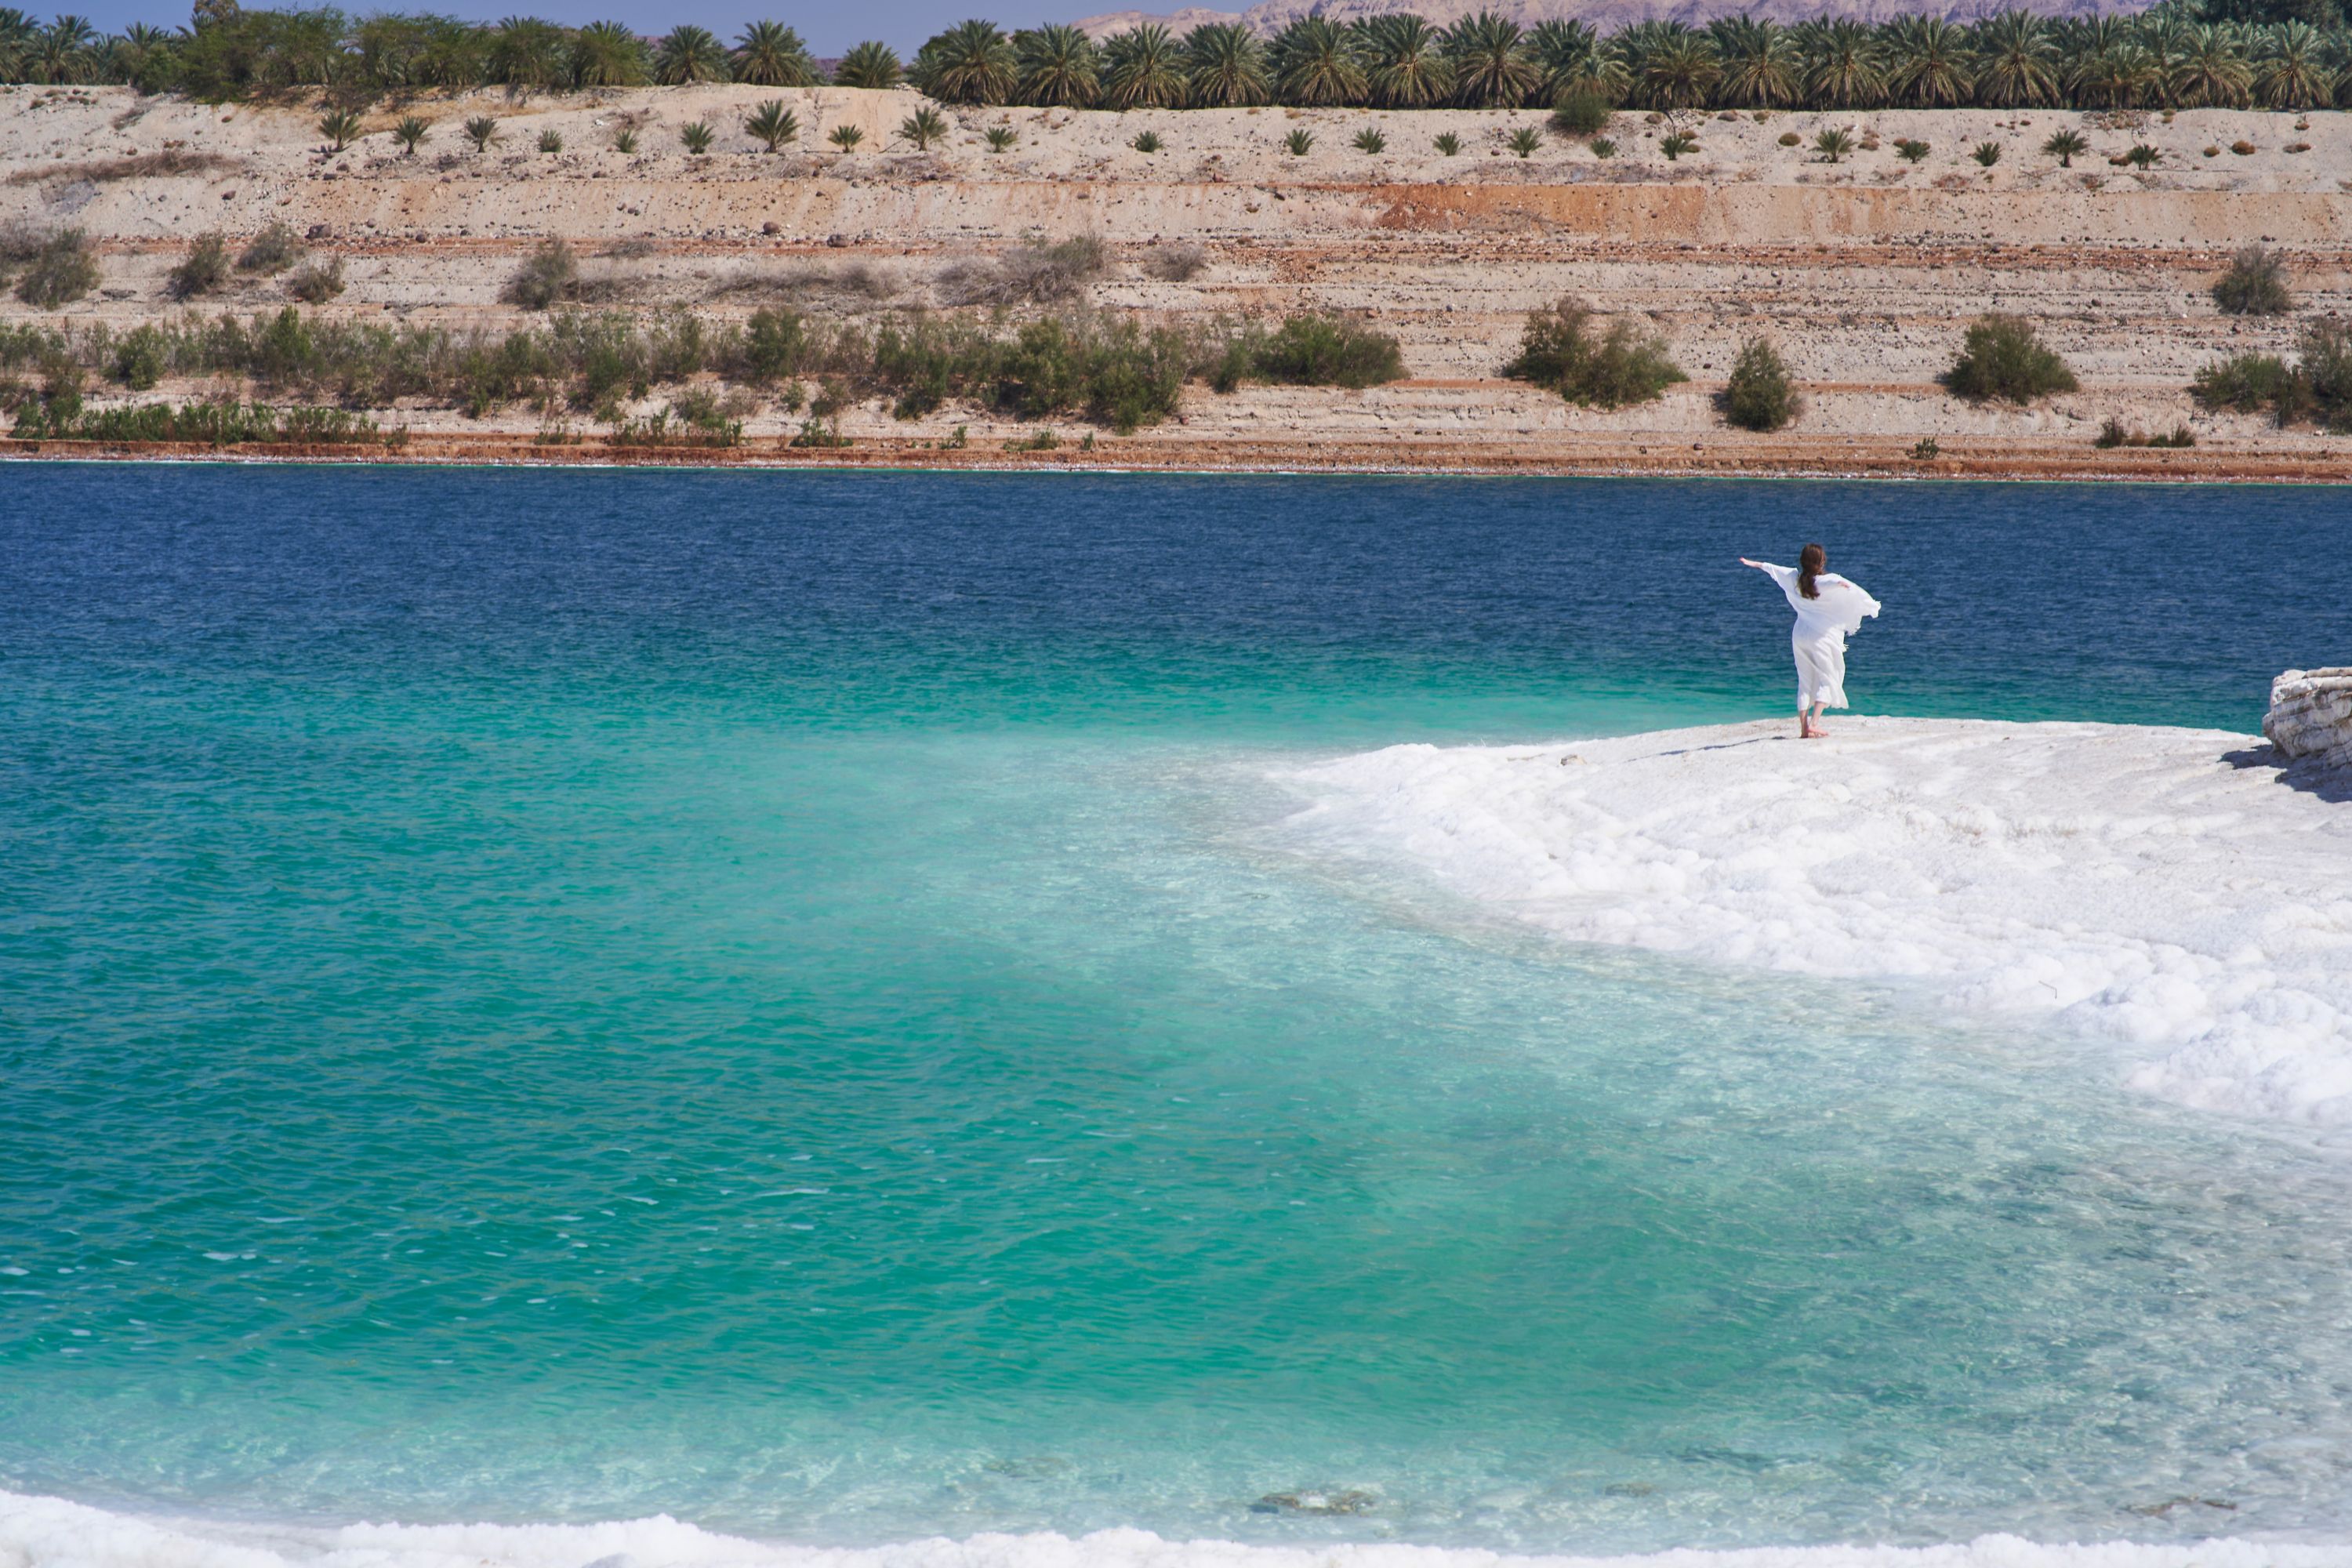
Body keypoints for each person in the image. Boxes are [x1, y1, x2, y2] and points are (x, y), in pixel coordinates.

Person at [1738, 544, 1882, 739]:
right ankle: (1814, 724)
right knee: (1829, 678)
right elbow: (1838, 583)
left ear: (1802, 561)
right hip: (1820, 637)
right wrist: (1858, 596)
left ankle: (1804, 729)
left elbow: (1770, 567)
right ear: (1821, 562)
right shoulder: (1824, 581)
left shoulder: (1793, 579)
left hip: (1800, 634)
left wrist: (1750, 563)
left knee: (1805, 682)